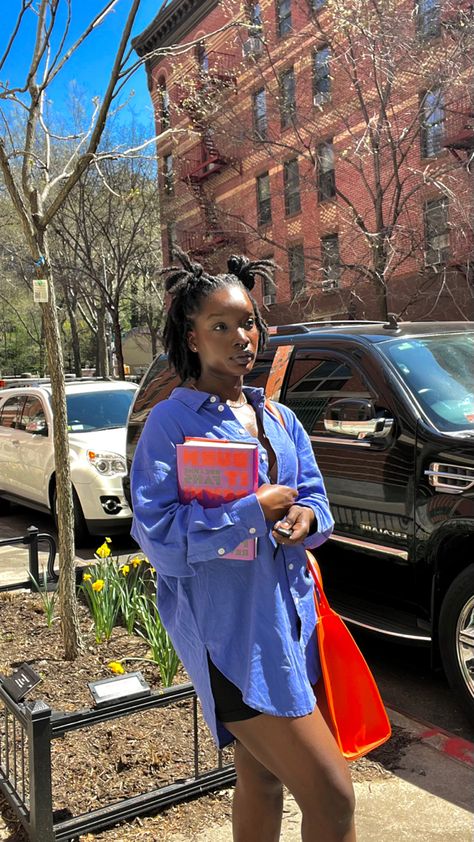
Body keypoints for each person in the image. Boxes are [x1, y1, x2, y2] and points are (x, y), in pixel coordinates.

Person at [130, 248, 356, 842]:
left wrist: (305, 519)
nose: (241, 338)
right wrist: (250, 513)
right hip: (228, 636)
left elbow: (317, 501)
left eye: (248, 322)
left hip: (291, 625)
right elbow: (159, 539)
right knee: (333, 798)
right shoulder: (171, 424)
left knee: (261, 782)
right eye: (221, 326)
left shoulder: (279, 419)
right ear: (193, 335)